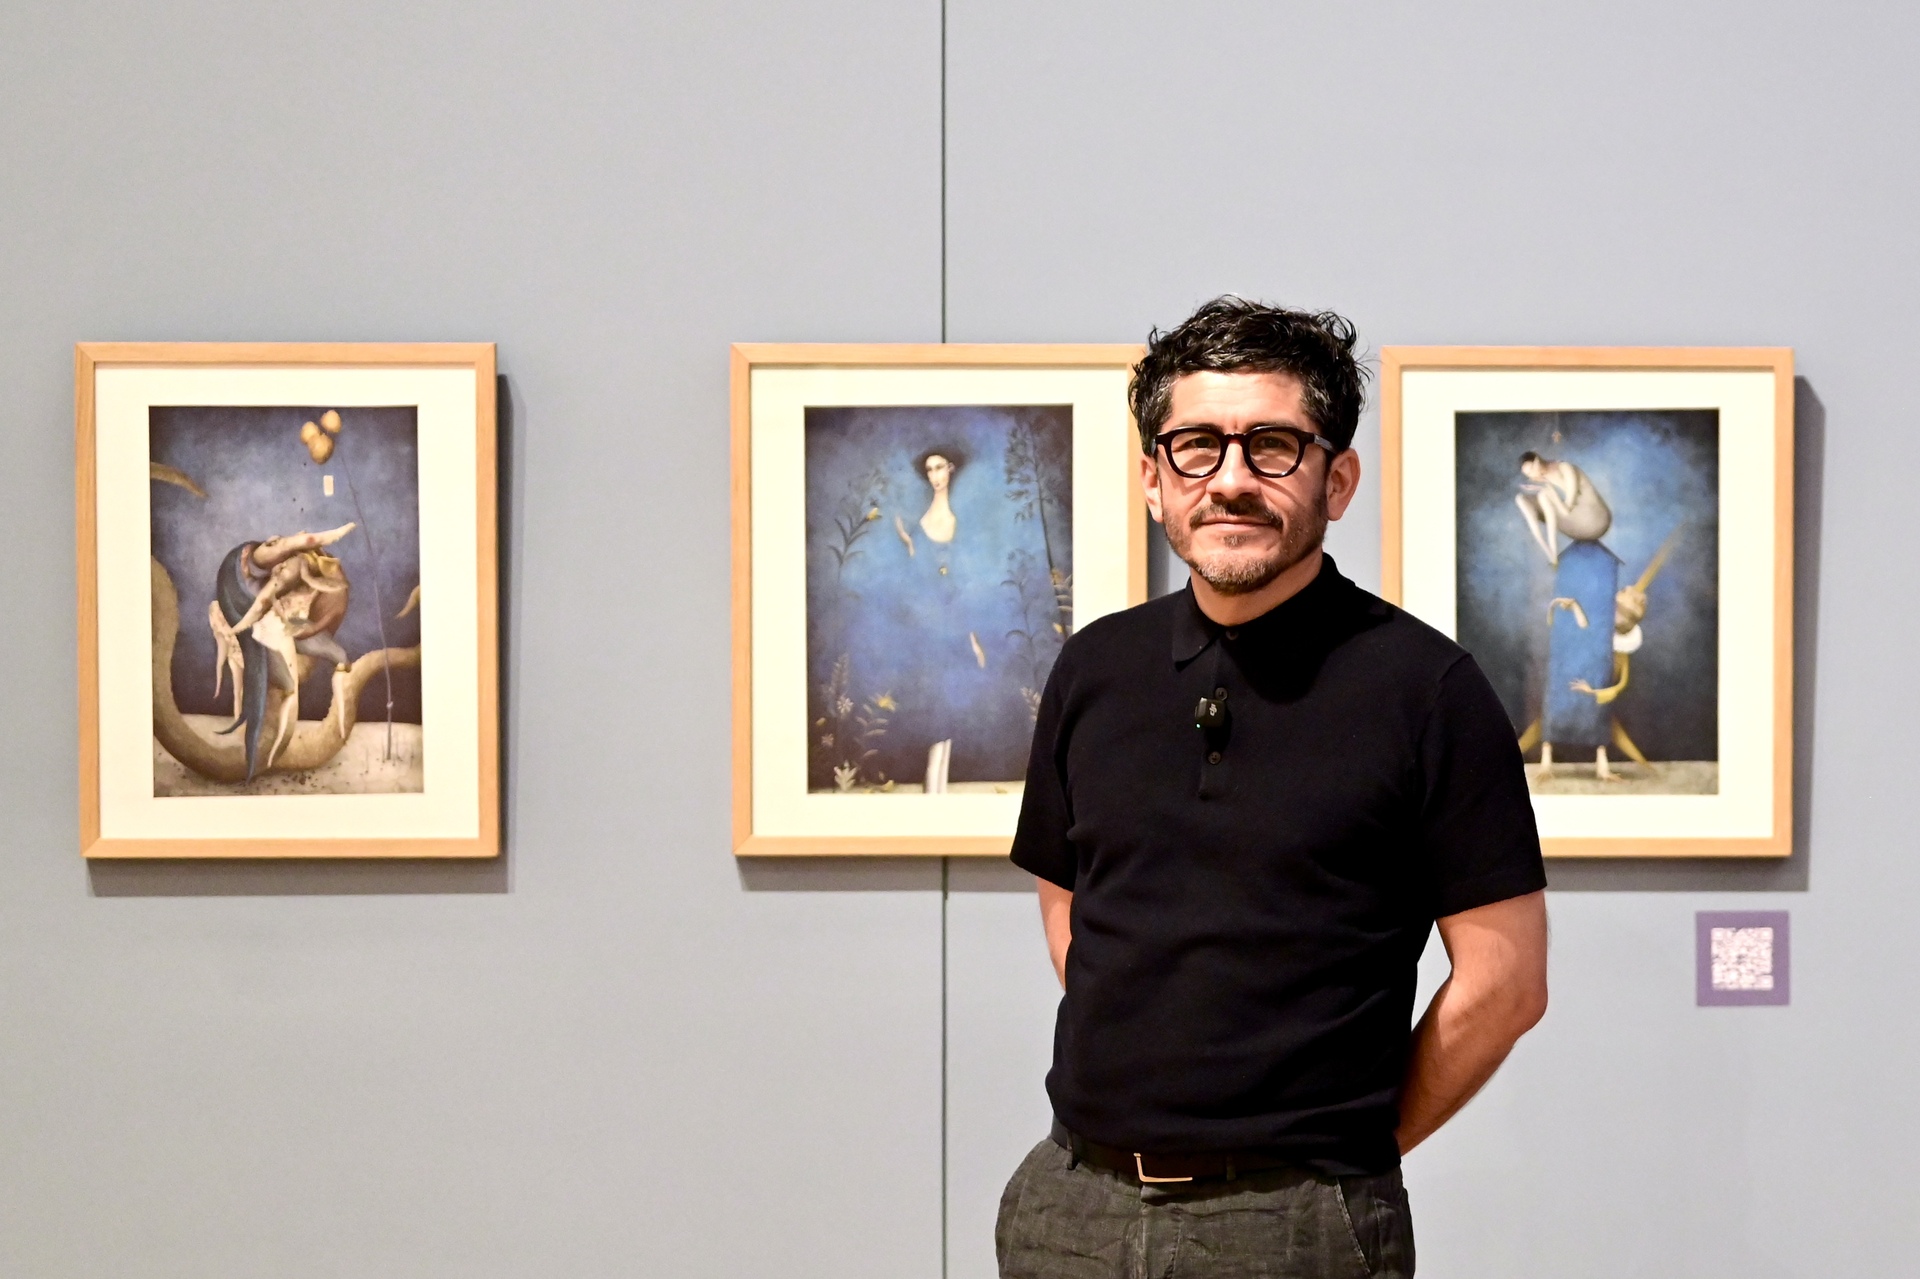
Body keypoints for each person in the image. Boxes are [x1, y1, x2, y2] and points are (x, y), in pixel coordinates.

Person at [998, 298, 1548, 1279]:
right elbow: (1070, 908)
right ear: (1153, 479)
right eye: (1197, 446)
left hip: (1298, 1221)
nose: (1230, 480)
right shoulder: (1093, 669)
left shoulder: (1429, 690)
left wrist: (1345, 1152)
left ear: (1338, 480)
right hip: (1068, 1205)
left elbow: (1505, 984)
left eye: (1273, 446)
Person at [1514, 451, 1610, 565]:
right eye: (1528, 474)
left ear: (1537, 460)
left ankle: (1553, 554)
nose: (1532, 475)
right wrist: (1543, 488)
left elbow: (1566, 511)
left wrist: (1551, 493)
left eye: (1531, 469)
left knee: (1544, 495)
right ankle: (1550, 553)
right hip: (1579, 522)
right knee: (1521, 499)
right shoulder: (1545, 476)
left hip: (1595, 520)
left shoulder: (1565, 468)